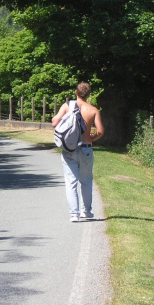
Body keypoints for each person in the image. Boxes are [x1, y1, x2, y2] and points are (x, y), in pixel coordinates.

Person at [52, 82, 105, 222]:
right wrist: (93, 137)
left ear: (76, 93)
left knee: (71, 182)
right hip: (86, 148)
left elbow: (54, 122)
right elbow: (101, 131)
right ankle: (86, 212)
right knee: (86, 181)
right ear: (88, 95)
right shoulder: (93, 110)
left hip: (70, 148)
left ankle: (74, 214)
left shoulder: (67, 106)